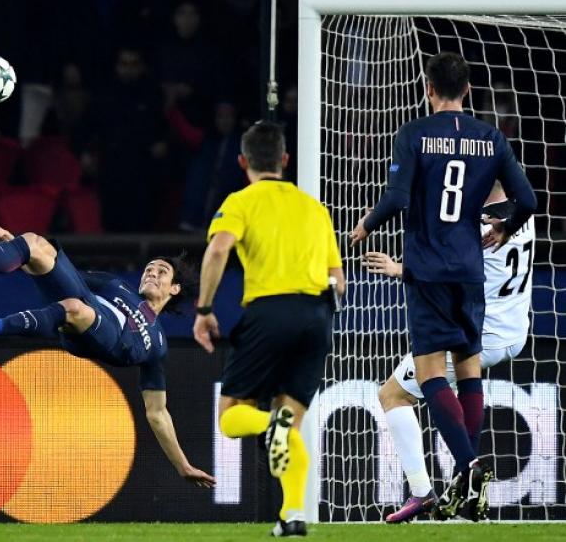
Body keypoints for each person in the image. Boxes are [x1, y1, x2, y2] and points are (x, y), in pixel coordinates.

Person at [349, 52, 537, 521]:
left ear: (428, 88)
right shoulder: (491, 139)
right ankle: (466, 490)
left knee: (423, 376)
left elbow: (396, 198)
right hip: (480, 289)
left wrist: (366, 226)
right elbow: (528, 200)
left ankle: (464, 471)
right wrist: (506, 226)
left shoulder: (414, 133)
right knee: (468, 375)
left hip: (431, 272)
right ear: (468, 89)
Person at [0, 222, 216, 490]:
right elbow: (57, 271)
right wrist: (13, 242)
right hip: (87, 307)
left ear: (175, 288)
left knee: (74, 307)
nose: (151, 273)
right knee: (37, 244)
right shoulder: (116, 285)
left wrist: (183, 465)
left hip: (109, 339)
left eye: (162, 271)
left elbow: (157, 412)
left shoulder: (158, 343)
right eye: (148, 269)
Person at [193, 120, 345, 537]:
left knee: (231, 417)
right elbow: (339, 280)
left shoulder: (241, 201)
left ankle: (267, 425)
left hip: (270, 311)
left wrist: (204, 308)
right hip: (318, 316)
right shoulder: (315, 208)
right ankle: (292, 515)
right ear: (285, 160)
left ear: (243, 162)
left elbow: (218, 249)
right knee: (289, 420)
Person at [368, 182, 535, 523]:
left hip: (483, 333)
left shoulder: (477, 223)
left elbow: (444, 274)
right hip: (516, 329)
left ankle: (424, 491)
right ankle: (464, 489)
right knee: (463, 391)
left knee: (393, 395)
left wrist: (398, 268)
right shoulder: (521, 214)